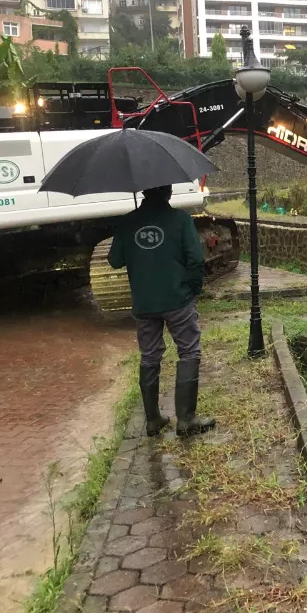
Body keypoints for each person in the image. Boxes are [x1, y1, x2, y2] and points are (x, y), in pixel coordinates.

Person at [108, 185, 215, 438]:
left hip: (144, 304)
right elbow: (196, 260)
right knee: (188, 351)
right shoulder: (180, 220)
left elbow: (114, 261)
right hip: (178, 299)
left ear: (144, 192)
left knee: (149, 356)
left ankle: (153, 420)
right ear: (168, 192)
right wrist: (193, 289)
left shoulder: (127, 222)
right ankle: (186, 420)